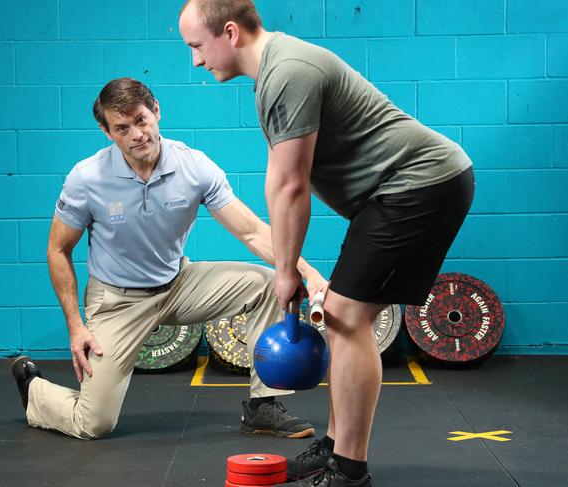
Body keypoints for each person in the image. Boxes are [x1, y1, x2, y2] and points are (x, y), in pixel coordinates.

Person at [179, 1, 475, 486]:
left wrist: (286, 269)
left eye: (196, 46)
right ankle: (338, 448)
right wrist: (288, 265)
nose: (195, 60)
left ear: (229, 32)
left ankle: (349, 470)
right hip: (395, 194)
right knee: (340, 317)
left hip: (418, 186)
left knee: (345, 319)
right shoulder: (277, 71)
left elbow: (291, 186)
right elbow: (281, 180)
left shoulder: (288, 71)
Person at [11, 77, 329, 441]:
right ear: (106, 131)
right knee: (93, 424)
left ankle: (263, 407)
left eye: (142, 120)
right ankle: (34, 389)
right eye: (122, 127)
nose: (137, 135)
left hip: (179, 284)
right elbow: (57, 250)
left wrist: (306, 271)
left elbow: (252, 231)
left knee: (263, 283)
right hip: (118, 301)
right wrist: (75, 325)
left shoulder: (194, 167)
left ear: (156, 111)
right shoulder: (87, 179)